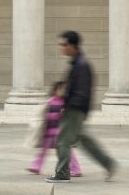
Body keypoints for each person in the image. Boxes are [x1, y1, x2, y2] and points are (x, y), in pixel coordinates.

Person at [46, 31, 117, 182]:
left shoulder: (81, 65)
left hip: (74, 109)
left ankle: (62, 173)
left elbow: (82, 91)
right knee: (84, 140)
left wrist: (68, 107)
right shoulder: (77, 63)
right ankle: (108, 163)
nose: (61, 48)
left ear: (72, 45)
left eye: (64, 45)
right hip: (76, 108)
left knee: (62, 140)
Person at [26, 80, 83, 177]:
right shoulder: (50, 101)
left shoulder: (66, 103)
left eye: (64, 90)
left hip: (61, 133)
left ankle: (76, 169)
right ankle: (36, 167)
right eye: (60, 89)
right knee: (43, 151)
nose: (62, 91)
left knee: (68, 152)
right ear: (55, 90)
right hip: (49, 132)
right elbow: (43, 114)